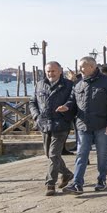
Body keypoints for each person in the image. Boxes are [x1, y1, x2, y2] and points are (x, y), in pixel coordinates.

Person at [57, 56, 107, 195]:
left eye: (83, 66)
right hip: (83, 125)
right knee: (81, 154)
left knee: (102, 154)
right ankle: (77, 184)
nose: (80, 69)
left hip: (102, 125)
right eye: (80, 67)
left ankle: (102, 180)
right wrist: (66, 107)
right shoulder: (78, 83)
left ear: (92, 67)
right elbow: (72, 101)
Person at [29, 61, 74, 196]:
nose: (51, 74)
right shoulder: (40, 84)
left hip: (61, 123)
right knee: (49, 154)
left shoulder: (69, 85)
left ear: (60, 71)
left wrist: (67, 106)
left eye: (53, 71)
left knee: (54, 154)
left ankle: (50, 184)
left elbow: (74, 100)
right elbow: (32, 102)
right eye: (48, 71)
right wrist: (36, 116)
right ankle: (66, 174)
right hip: (44, 123)